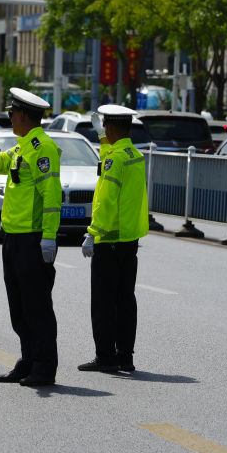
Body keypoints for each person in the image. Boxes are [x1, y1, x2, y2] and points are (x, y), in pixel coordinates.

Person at [0, 87, 62, 387]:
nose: (10, 118)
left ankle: (44, 367)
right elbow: (2, 165)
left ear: (22, 115)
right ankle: (28, 359)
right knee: (18, 307)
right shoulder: (22, 147)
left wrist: (49, 237)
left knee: (37, 307)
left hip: (32, 240)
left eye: (11, 113)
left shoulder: (43, 148)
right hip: (14, 238)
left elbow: (52, 195)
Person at [78, 104, 149, 373]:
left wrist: (92, 234)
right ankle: (125, 356)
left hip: (108, 240)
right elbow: (113, 156)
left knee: (104, 302)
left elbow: (105, 201)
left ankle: (105, 357)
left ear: (109, 126)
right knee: (125, 300)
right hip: (129, 237)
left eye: (105, 127)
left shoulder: (114, 160)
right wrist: (104, 139)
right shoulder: (134, 154)